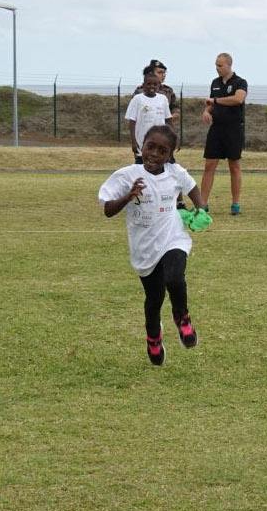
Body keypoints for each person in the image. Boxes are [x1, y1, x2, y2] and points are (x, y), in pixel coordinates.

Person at [98, 125, 209, 365]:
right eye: (150, 147)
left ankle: (182, 318)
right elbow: (108, 209)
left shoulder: (175, 172)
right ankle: (153, 337)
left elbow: (192, 187)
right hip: (144, 248)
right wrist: (128, 196)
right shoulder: (128, 174)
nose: (155, 154)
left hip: (172, 238)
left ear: (170, 154)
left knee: (176, 278)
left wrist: (201, 207)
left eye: (162, 150)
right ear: (141, 145)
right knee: (154, 298)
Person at [199, 52, 248, 215]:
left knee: (234, 166)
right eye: (216, 65)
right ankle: (202, 204)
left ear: (228, 65)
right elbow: (211, 103)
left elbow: (238, 99)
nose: (217, 68)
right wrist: (207, 111)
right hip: (217, 128)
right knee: (209, 165)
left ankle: (235, 204)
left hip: (233, 129)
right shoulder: (215, 83)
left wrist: (216, 101)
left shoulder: (240, 82)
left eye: (220, 65)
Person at [125, 64, 173, 163]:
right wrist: (134, 142)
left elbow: (168, 120)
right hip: (143, 142)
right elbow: (132, 121)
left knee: (161, 166)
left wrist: (173, 138)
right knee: (141, 167)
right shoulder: (138, 99)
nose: (152, 86)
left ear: (158, 86)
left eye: (154, 84)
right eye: (149, 84)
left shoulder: (163, 99)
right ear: (144, 85)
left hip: (160, 140)